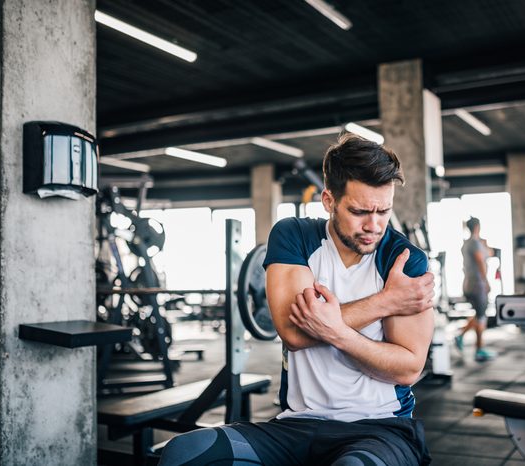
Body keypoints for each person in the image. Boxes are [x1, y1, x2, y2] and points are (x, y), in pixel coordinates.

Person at [159, 134, 435, 466]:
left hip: (381, 428)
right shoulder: (295, 236)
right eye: (360, 211)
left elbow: (407, 369)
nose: (373, 226)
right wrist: (386, 302)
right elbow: (293, 333)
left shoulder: (403, 260)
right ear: (329, 201)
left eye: (383, 211)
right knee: (183, 454)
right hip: (296, 424)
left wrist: (335, 330)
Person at [454, 217, 497, 362]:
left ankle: (460, 335)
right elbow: (481, 262)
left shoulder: (469, 243)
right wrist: (486, 282)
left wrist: (484, 244)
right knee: (481, 317)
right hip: (477, 284)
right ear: (478, 227)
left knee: (479, 314)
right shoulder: (475, 243)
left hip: (468, 284)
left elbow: (489, 253)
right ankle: (479, 349)